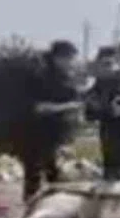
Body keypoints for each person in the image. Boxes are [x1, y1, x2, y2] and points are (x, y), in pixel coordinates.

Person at [20, 40, 80, 201]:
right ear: (58, 58)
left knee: (53, 176)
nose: (71, 63)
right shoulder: (41, 76)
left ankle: (52, 207)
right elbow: (38, 108)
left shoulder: (63, 78)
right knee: (34, 176)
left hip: (52, 136)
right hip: (35, 133)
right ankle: (32, 207)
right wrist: (68, 106)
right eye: (69, 59)